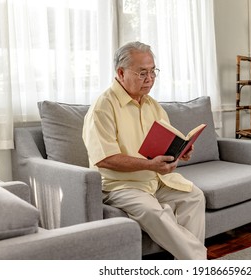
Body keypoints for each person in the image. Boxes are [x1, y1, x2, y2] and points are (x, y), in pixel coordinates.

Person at [82, 41, 207, 260]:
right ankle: (198, 263)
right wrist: (150, 165)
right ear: (121, 73)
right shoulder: (103, 107)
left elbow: (168, 141)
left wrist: (181, 151)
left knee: (194, 196)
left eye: (152, 72)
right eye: (142, 73)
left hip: (154, 180)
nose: (149, 79)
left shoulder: (152, 105)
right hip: (119, 186)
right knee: (154, 212)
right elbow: (105, 159)